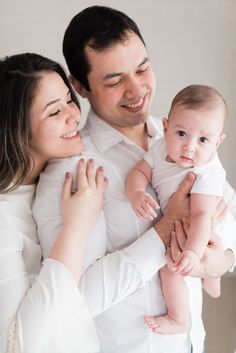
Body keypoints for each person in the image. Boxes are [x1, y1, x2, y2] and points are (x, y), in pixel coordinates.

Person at [33, 6, 236, 353]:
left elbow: (227, 215)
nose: (136, 88)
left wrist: (220, 261)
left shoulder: (181, 135)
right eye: (114, 80)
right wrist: (167, 226)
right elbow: (72, 300)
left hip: (191, 343)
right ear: (80, 87)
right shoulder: (72, 172)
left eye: (142, 68)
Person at [0, 52, 191, 353]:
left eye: (68, 100)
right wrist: (75, 228)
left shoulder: (56, 176)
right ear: (17, 129)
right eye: (53, 112)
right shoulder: (5, 216)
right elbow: (20, 344)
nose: (74, 114)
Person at [126, 84, 236, 334]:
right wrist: (137, 193)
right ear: (165, 127)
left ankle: (178, 319)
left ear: (217, 142)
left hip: (210, 227)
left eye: (203, 140)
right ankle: (212, 279)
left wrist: (194, 254)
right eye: (182, 134)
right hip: (193, 221)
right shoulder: (161, 147)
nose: (190, 147)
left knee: (170, 268)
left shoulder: (207, 171)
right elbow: (140, 171)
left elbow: (200, 216)